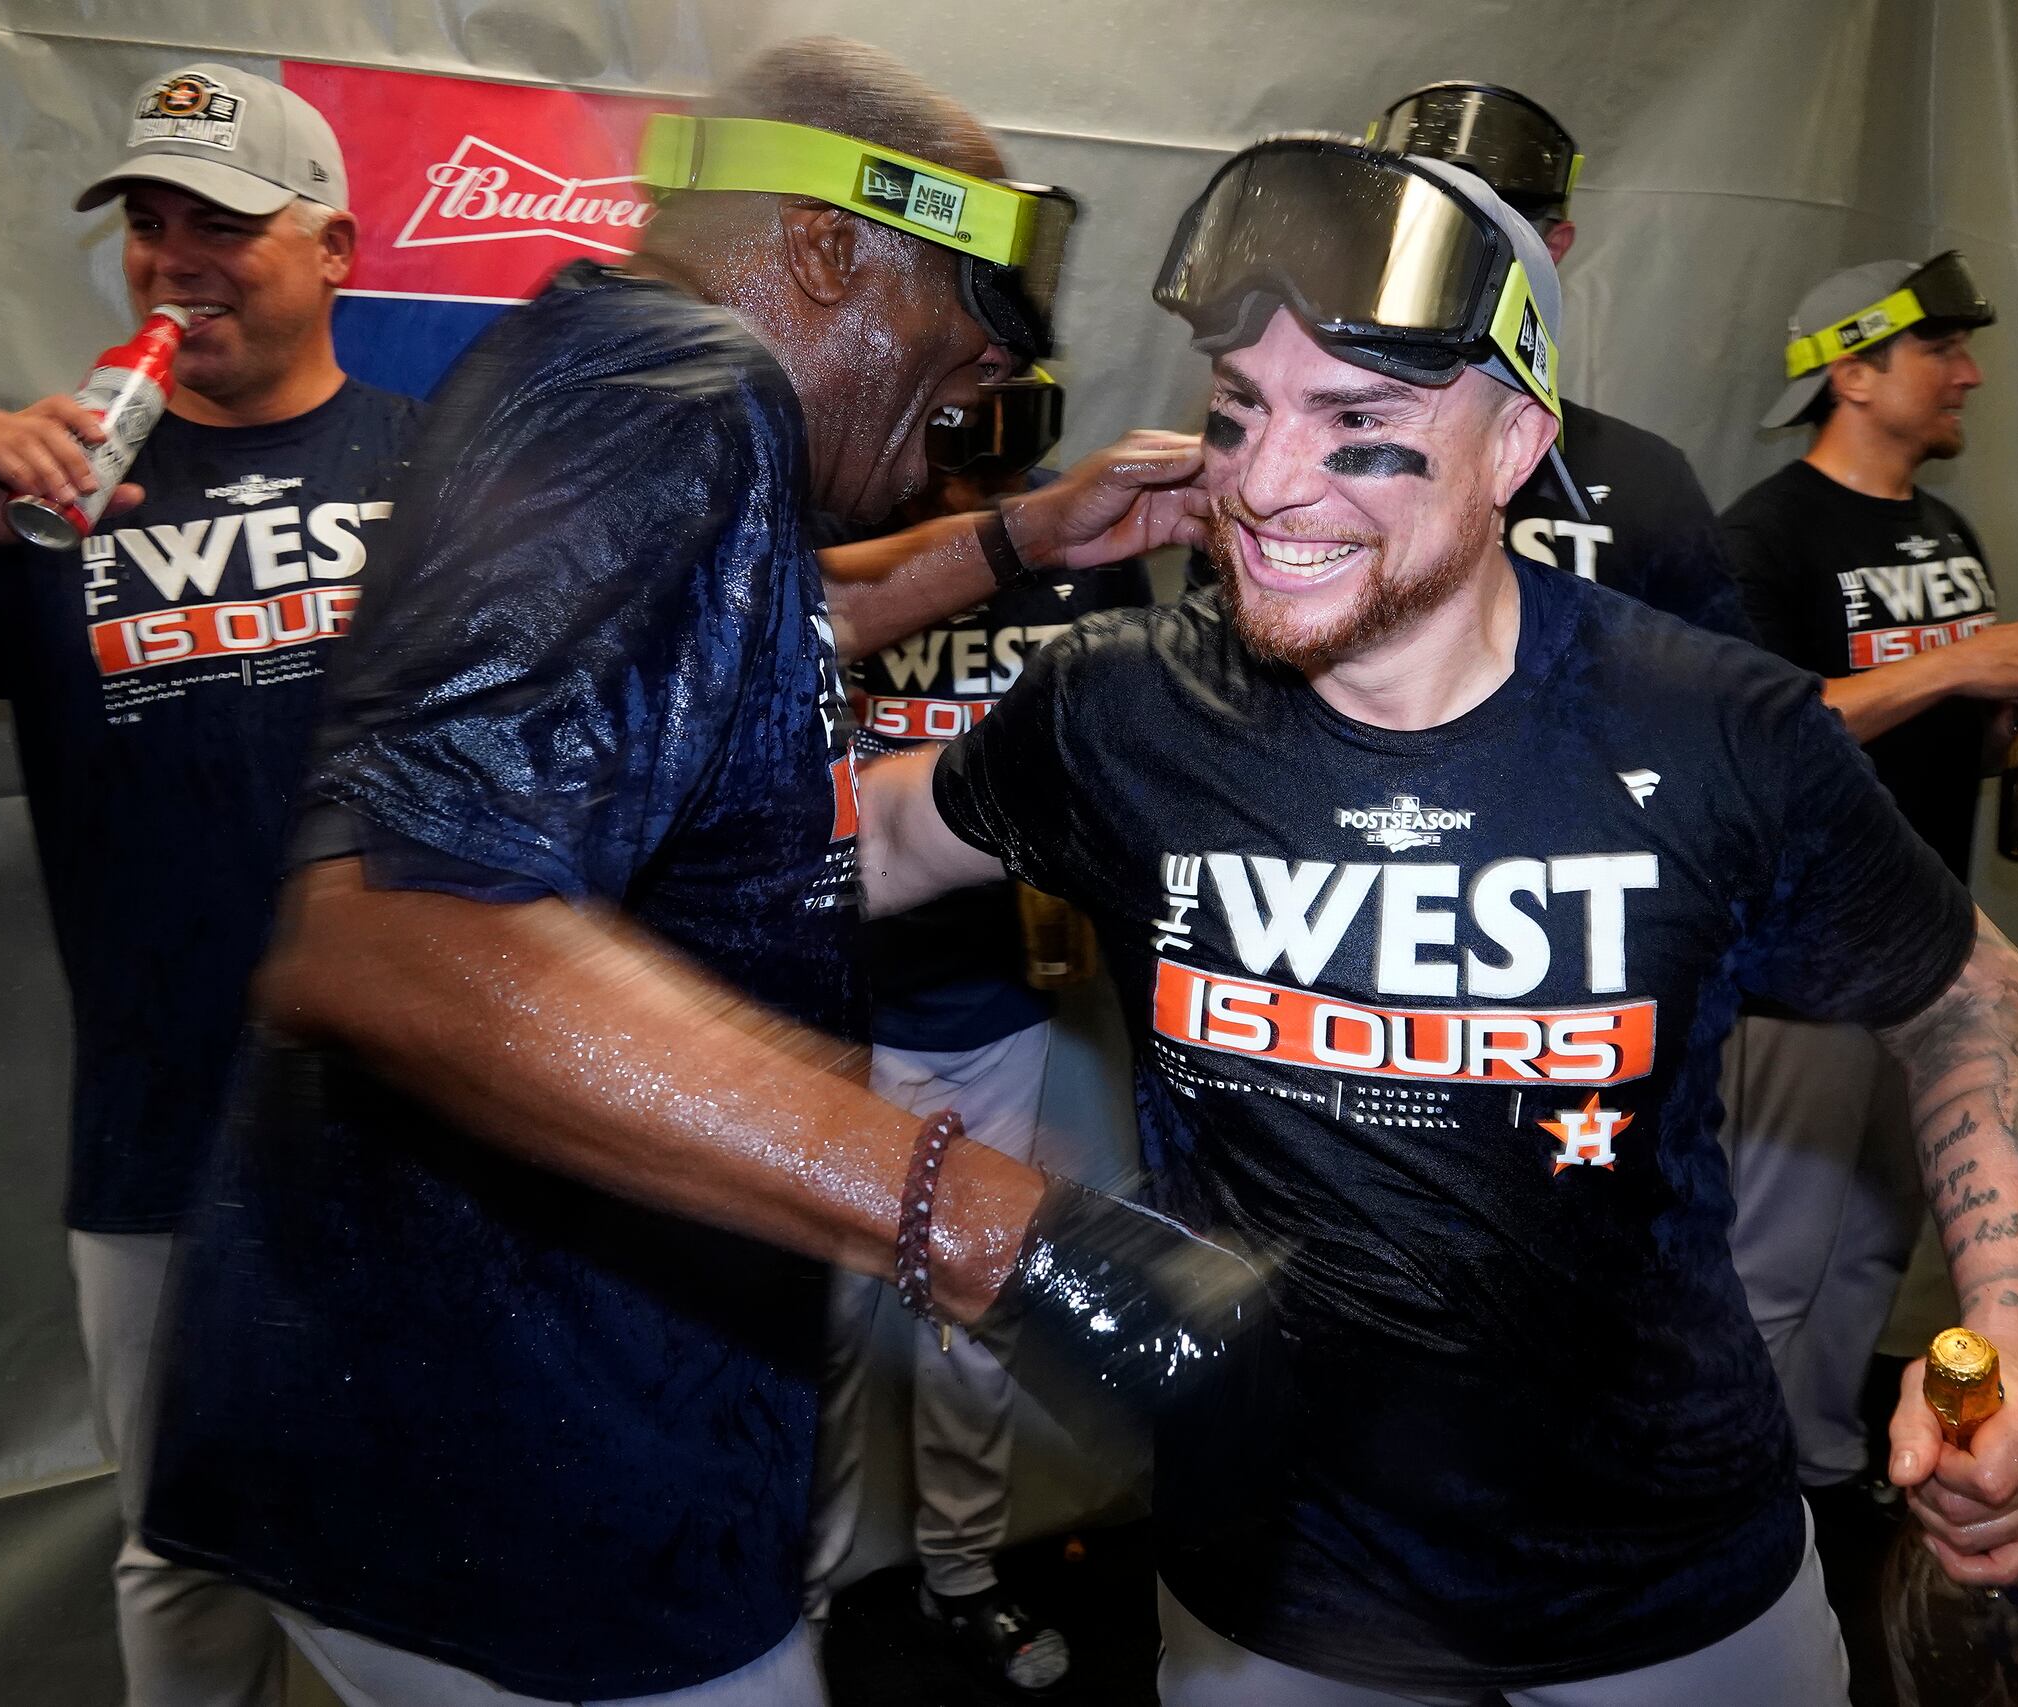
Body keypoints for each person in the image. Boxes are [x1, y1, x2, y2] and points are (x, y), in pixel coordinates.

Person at [855, 136, 2018, 1704]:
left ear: (1515, 446)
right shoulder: (1124, 708)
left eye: (1359, 423)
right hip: (1278, 1591)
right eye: (1242, 410)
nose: (1266, 483)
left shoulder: (1717, 730)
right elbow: (847, 842)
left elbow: (1974, 999)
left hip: (1671, 1580)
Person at [132, 39, 1227, 1707]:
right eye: (965, 324)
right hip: (534, 1485)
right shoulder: (685, 390)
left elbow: (724, 640)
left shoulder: (604, 370)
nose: (974, 390)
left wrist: (1021, 537)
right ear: (827, 249)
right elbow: (400, 931)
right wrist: (1006, 1230)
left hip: (440, 1441)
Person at [0, 63, 416, 1706]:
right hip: (162, 1129)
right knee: (183, 1550)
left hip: (428, 1121)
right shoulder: (39, 500)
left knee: (430, 1521)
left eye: (226, 224)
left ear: (333, 245)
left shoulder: (450, 468)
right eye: (151, 223)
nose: (178, 258)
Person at [1715, 254, 2018, 1511]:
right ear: (1854, 368)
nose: (1970, 373)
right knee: (1774, 1252)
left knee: (1881, 1234)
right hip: (1800, 952)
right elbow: (1761, 736)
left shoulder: (1944, 533)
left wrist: (2017, 716)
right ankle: (1737, 1504)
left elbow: (1940, 742)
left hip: (1930, 940)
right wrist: (1956, 664)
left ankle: (1827, 1467)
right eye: (1943, 350)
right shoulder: (1762, 535)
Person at [807, 372, 1151, 1691]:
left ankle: (958, 1574)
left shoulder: (1086, 575)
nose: (971, 486)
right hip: (836, 1009)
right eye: (947, 461)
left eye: (994, 466)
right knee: (823, 1327)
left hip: (998, 1008)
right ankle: (809, 1591)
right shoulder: (854, 559)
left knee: (973, 1317)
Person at [1365, 81, 1748, 637]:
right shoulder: (1287, 449)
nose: (1454, 260)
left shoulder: (1645, 479)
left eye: (1488, 232)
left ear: (1554, 246)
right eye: (1425, 223)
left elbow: (1732, 701)